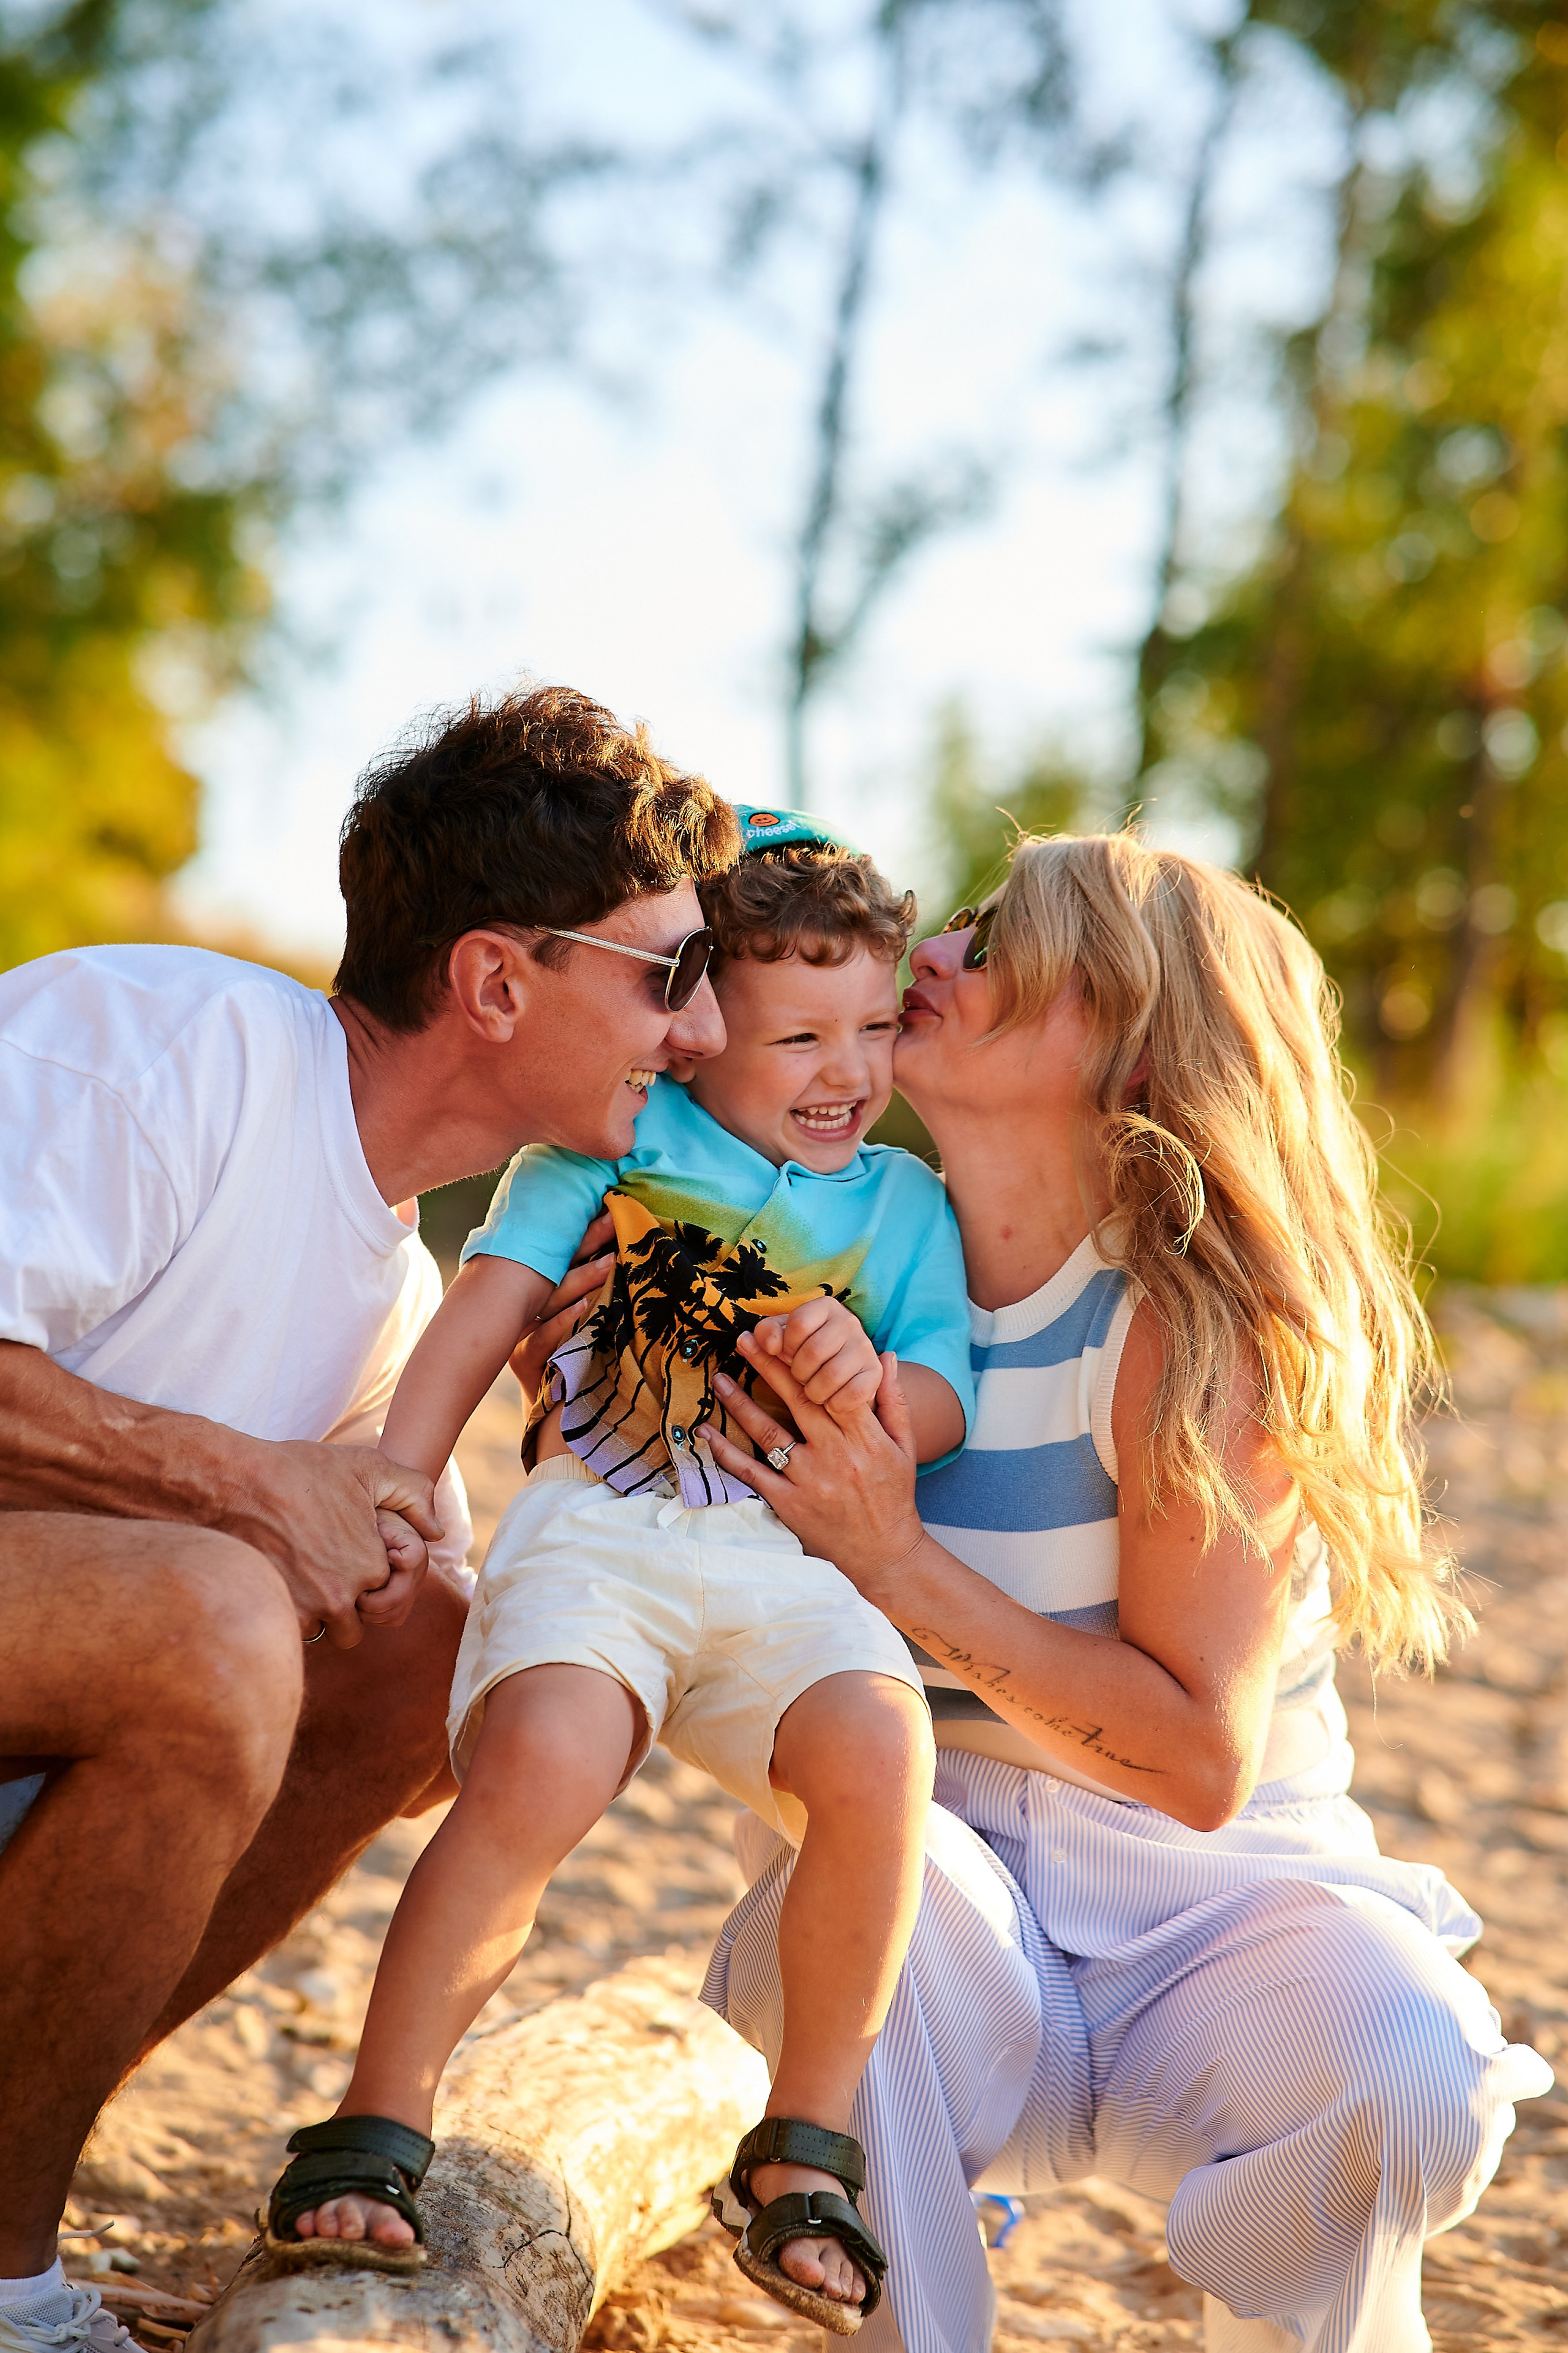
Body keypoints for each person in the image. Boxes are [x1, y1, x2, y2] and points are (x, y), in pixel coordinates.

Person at [698, 831, 1554, 2353]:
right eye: (956, 926)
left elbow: (1197, 1759)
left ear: (1133, 1048)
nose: (929, 954)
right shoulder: (826, 1266)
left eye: (998, 947)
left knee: (1415, 2071)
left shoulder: (1194, 1329)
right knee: (861, 1895)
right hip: (946, 1905)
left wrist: (895, 1560)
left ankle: (1269, 2299)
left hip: (1219, 1926)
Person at [0, 684, 737, 2353]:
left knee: (422, 1651)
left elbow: (423, 1737)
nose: (702, 1029)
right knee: (213, 1618)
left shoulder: (402, 1304)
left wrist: (596, 1428)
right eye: (670, 970)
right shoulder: (164, 1043)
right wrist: (247, 1490)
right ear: (496, 980)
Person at [260, 813, 973, 2333]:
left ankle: (805, 2139)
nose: (847, 1070)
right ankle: (381, 2112)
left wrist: (872, 1380)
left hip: (783, 1555)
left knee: (879, 1747)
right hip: (602, 1528)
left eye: (871, 1027)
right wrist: (397, 1478)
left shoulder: (902, 1205)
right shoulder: (611, 1141)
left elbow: (941, 1396)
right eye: (798, 1037)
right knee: (538, 1766)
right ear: (701, 1028)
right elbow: (483, 1307)